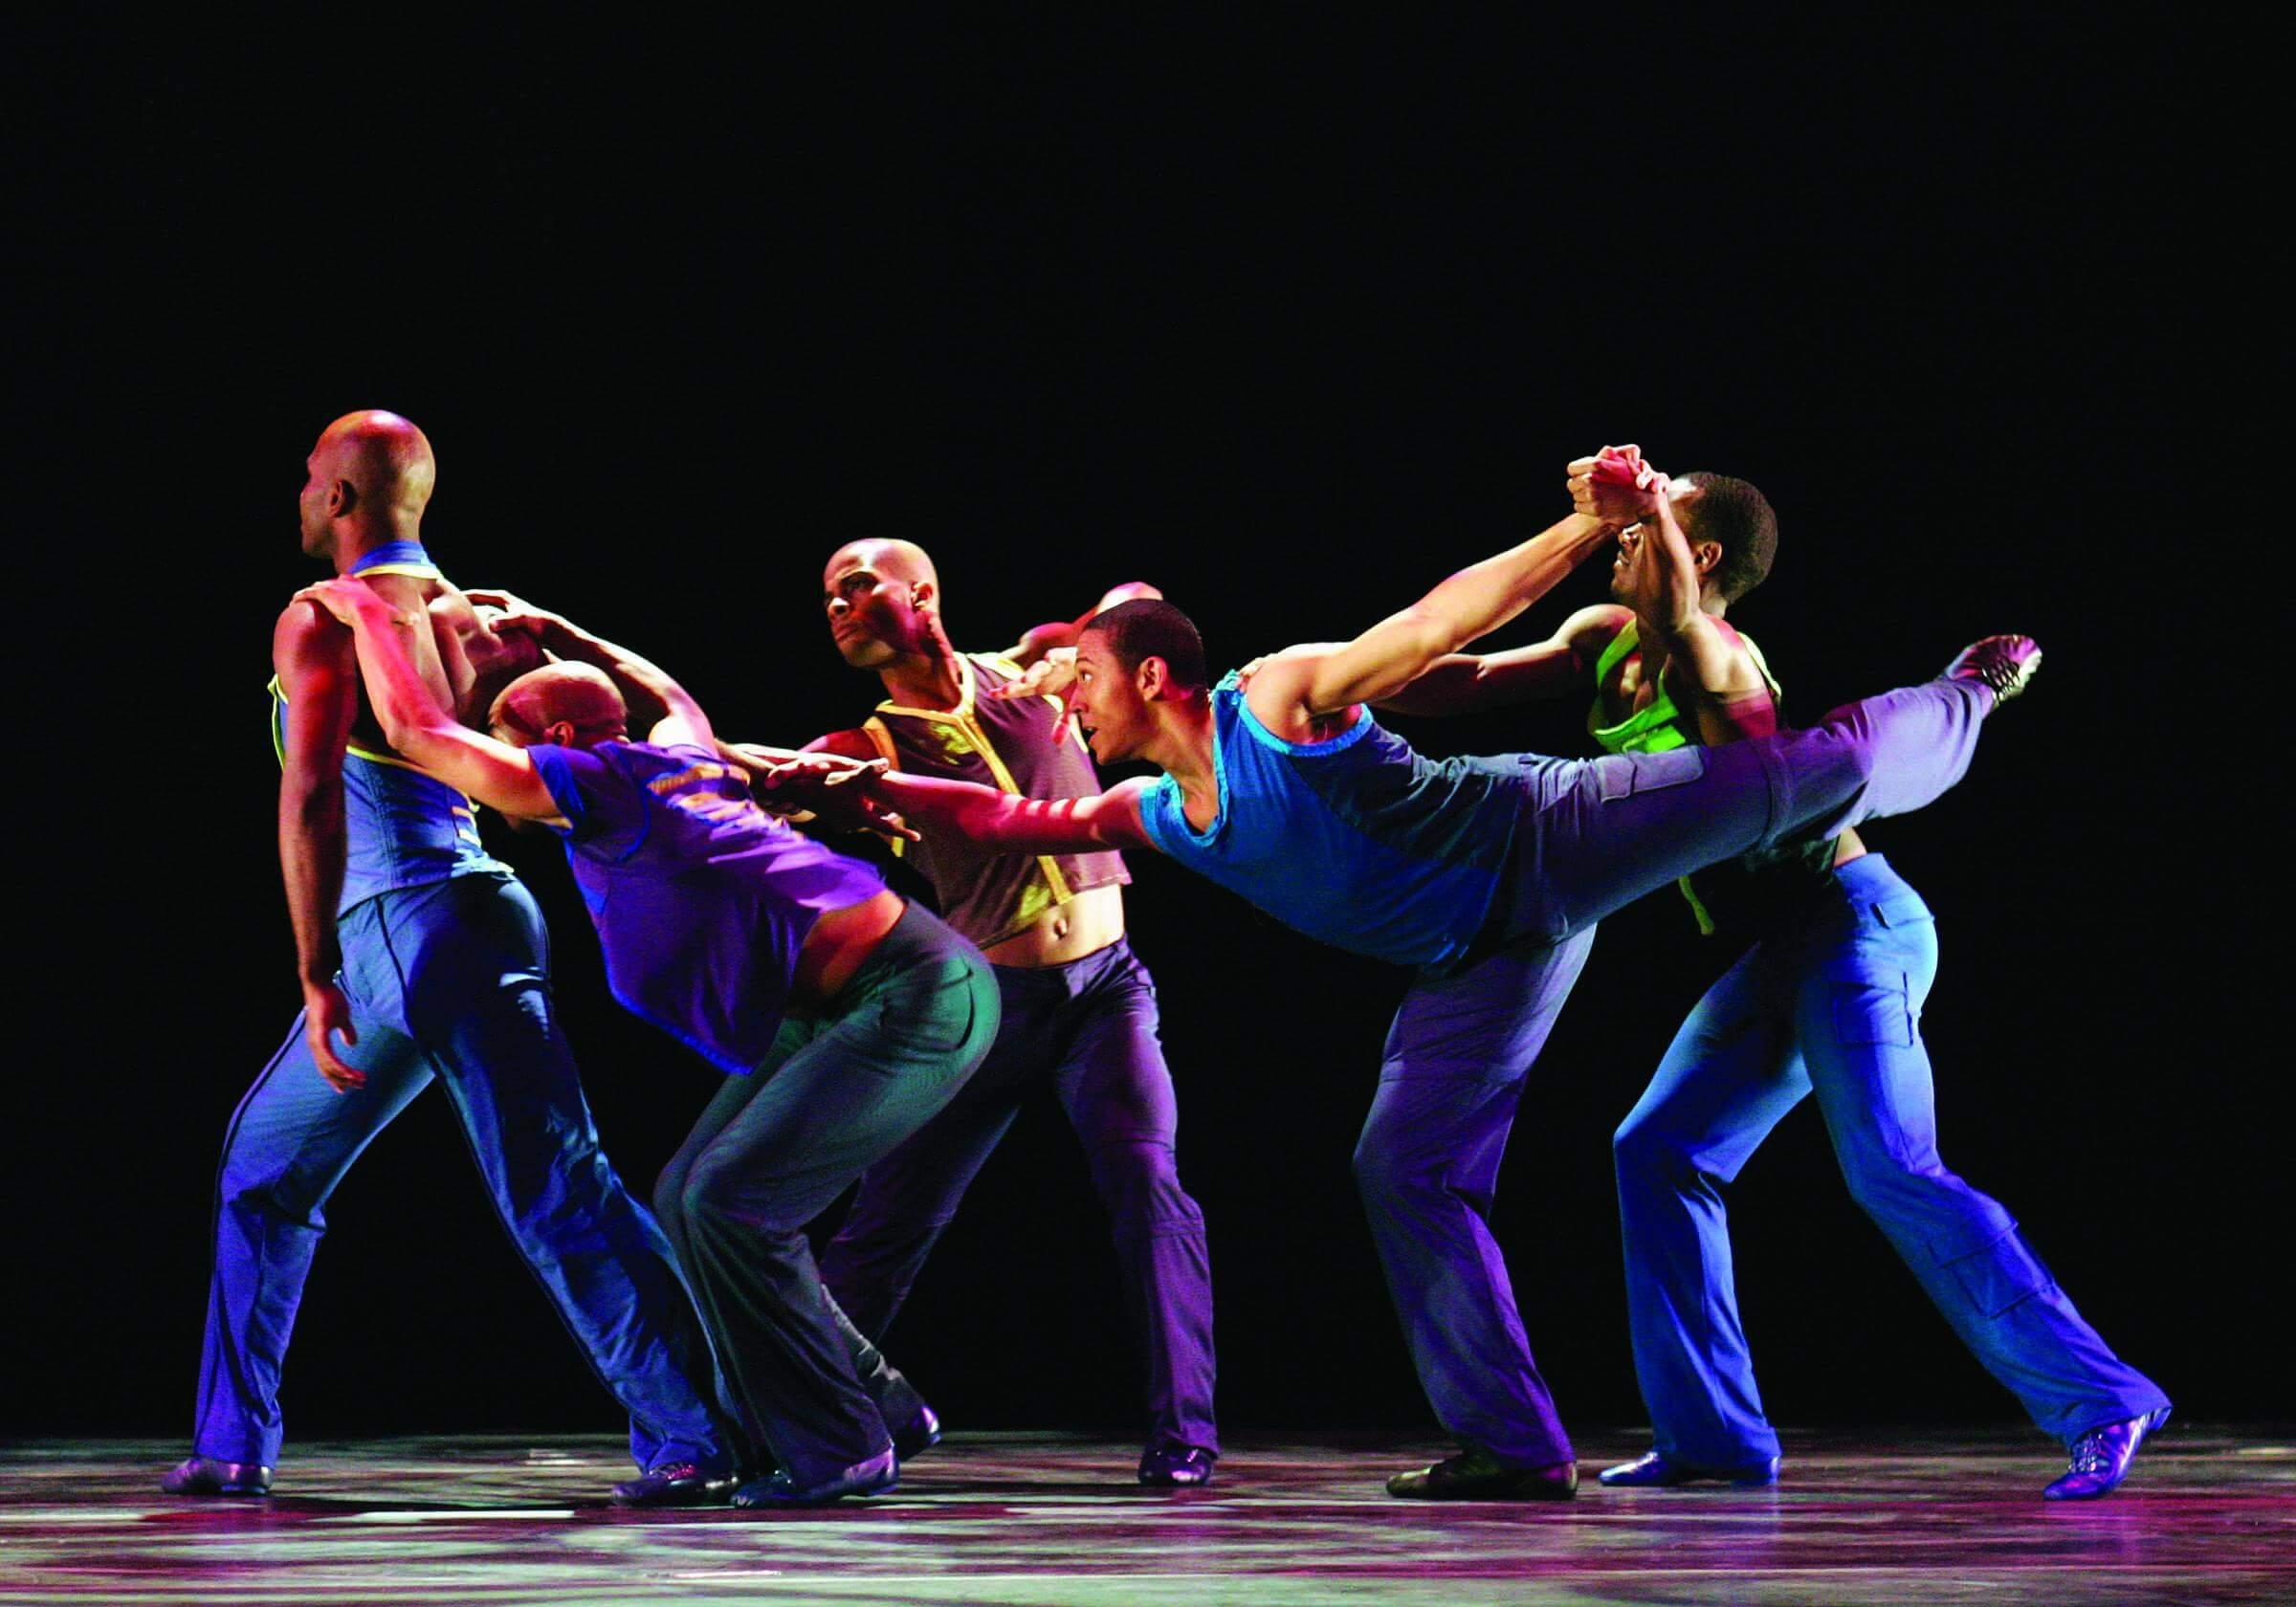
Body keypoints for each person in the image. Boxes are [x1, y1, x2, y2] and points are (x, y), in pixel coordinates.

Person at [753, 446, 2030, 1501]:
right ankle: (1514, 1446)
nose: (1067, 704)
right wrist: (854, 783)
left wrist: (1583, 527)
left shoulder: (1281, 696)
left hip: (1543, 840)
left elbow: (1436, 625)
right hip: (1479, 958)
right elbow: (1014, 824)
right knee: (1402, 1167)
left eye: (1084, 680)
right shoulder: (1158, 810)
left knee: (1783, 776)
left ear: (1152, 677)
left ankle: (1962, 696)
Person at [1383, 462, 2168, 1499]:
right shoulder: (1601, 640)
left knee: (1891, 1163)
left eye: (1643, 531)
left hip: (1854, 927)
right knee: (1656, 1152)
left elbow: (1680, 613)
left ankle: (2105, 1398)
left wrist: (1648, 503)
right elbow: (1461, 683)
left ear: (1696, 553)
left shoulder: (1719, 657)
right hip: (1776, 954)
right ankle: (1715, 1439)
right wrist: (1336, 686)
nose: (1620, 542)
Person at [297, 576, 1000, 1507]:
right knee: (686, 1195)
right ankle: (882, 1401)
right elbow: (672, 696)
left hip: (907, 997)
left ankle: (842, 1447)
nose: (491, 773)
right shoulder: (679, 759)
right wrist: (562, 627)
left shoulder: (599, 782)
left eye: (504, 745)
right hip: (862, 996)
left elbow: (426, 736)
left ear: (552, 744)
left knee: (732, 1205)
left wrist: (377, 622)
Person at [166, 411, 731, 1505]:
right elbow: (595, 745)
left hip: (400, 930)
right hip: (470, 919)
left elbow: (313, 793)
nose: (299, 492)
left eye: (309, 476)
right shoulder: (478, 618)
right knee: (267, 1167)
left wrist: (313, 967)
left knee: (554, 1185)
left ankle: (707, 1432)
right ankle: (232, 1443)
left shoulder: (324, 615)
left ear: (339, 500)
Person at [791, 539, 1218, 1486]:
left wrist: (1080, 652)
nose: (840, 605)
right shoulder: (866, 751)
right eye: (829, 596)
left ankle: (1184, 1437)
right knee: (888, 1225)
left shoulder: (1035, 672)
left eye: (859, 585)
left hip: (1107, 990)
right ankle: (812, 1417)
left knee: (1151, 1192)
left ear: (923, 593)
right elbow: (773, 797)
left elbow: (1138, 595)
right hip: (988, 1009)